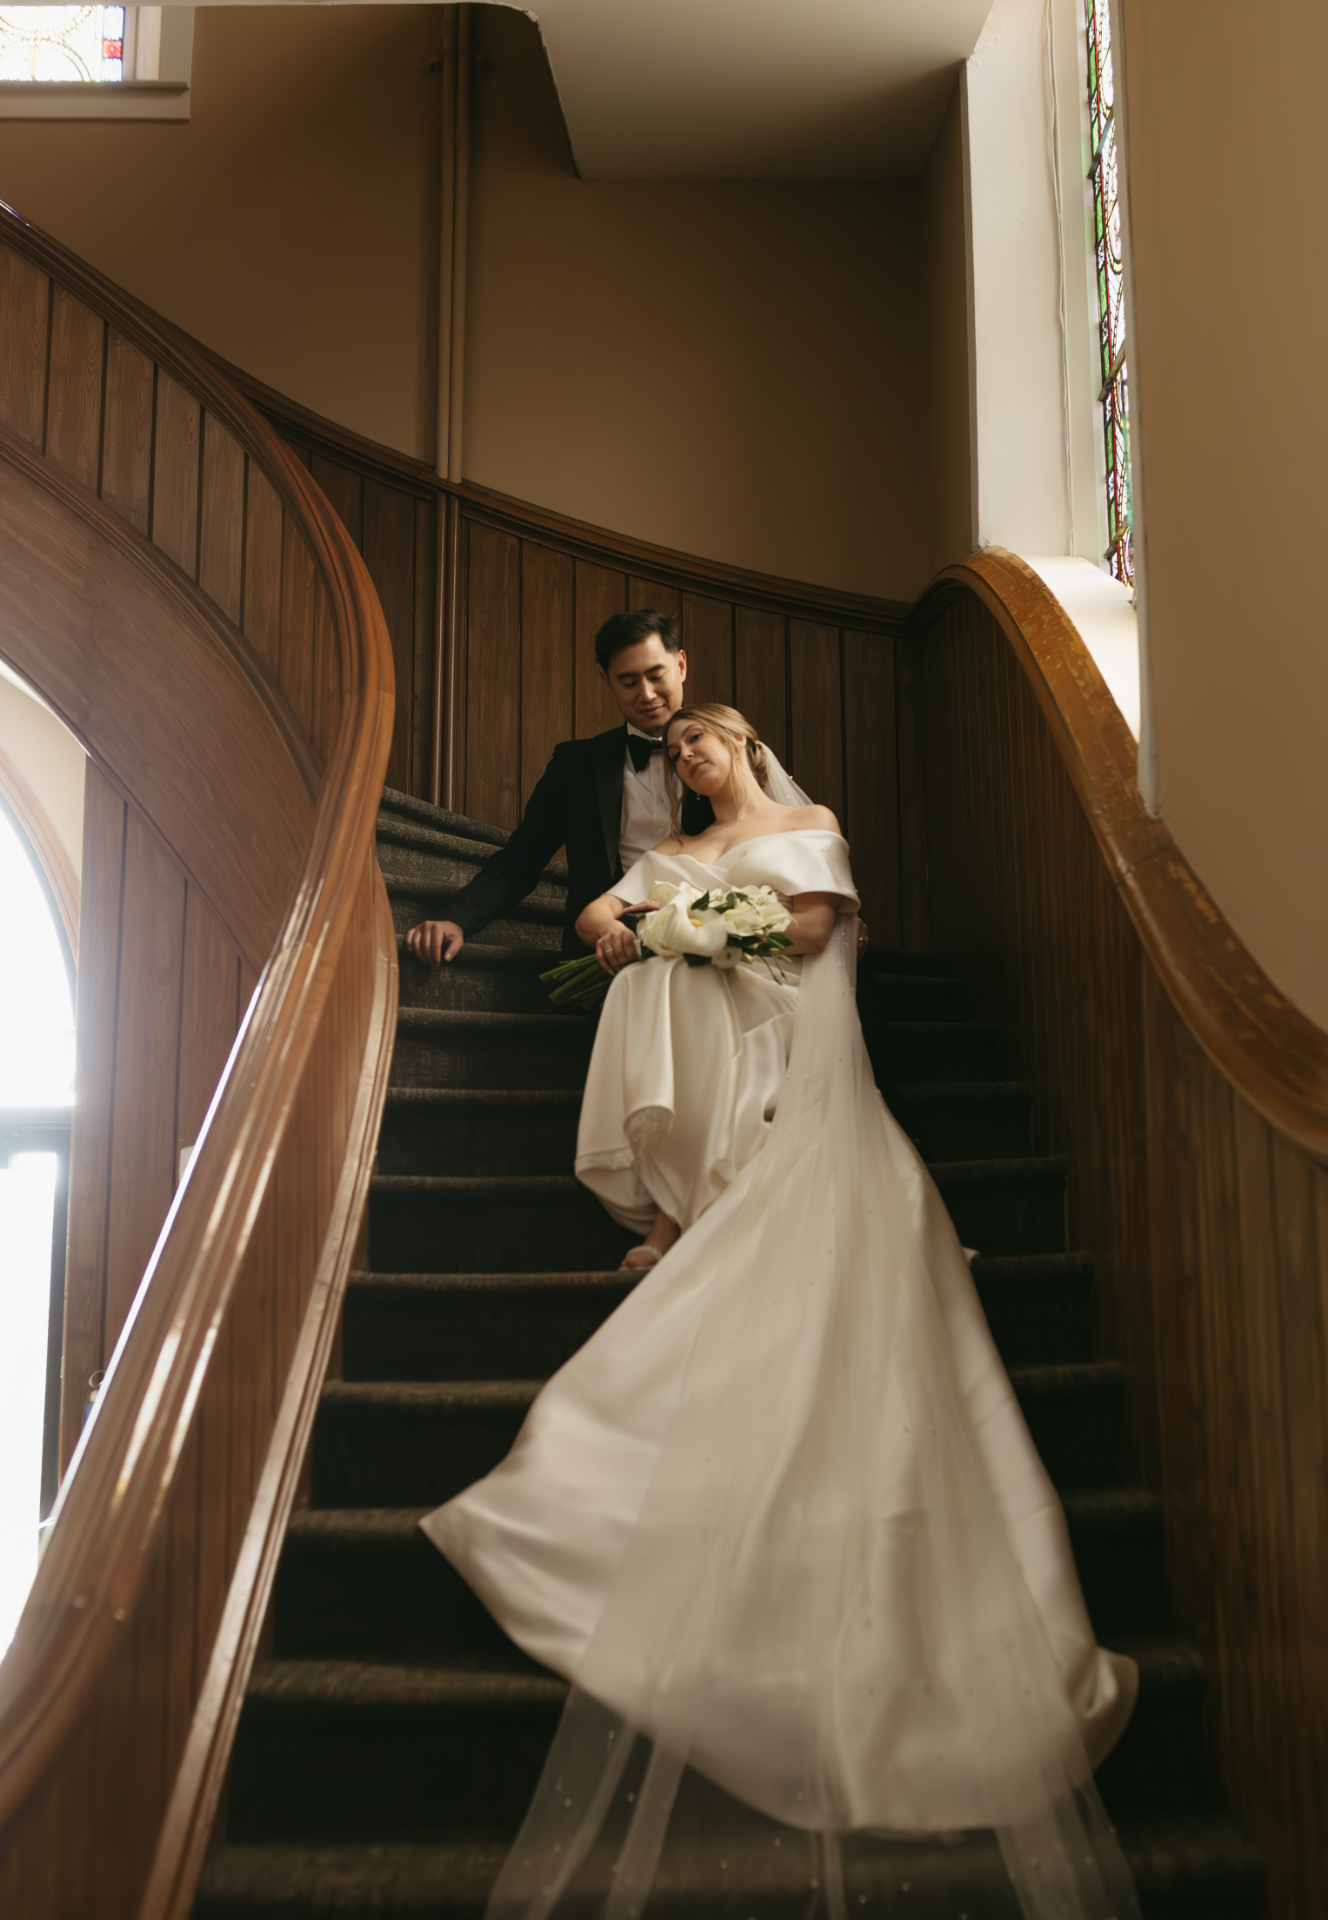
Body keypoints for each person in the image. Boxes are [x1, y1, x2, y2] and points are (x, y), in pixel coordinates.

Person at [421, 704, 1142, 1920]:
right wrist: (644, 925)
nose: (691, 756)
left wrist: (688, 927)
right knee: (653, 972)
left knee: (680, 966)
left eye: (708, 739)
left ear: (746, 747)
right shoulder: (674, 852)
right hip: (710, 1009)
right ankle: (681, 1199)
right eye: (679, 750)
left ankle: (688, 1212)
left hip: (787, 1031)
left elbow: (814, 926)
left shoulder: (805, 823)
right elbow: (597, 916)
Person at [404, 609, 711, 963]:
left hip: (713, 943)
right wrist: (456, 921)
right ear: (605, 680)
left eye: (657, 675)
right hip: (607, 954)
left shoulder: (729, 752)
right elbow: (521, 859)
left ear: (681, 666)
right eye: (628, 682)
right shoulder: (574, 766)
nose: (646, 694)